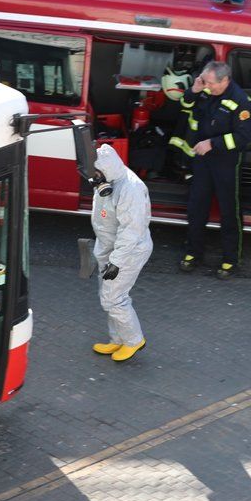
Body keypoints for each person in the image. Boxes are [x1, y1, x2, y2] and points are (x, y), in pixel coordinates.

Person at [175, 61, 251, 279]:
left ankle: (230, 260)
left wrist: (213, 143)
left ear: (225, 80)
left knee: (229, 211)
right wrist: (194, 90)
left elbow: (243, 138)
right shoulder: (204, 90)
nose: (207, 87)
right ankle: (193, 253)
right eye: (204, 81)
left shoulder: (240, 101)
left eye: (210, 83)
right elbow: (185, 106)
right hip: (202, 160)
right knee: (196, 206)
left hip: (226, 162)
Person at [90, 144, 153, 362]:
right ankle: (117, 339)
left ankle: (134, 340)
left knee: (114, 298)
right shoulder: (107, 180)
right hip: (111, 248)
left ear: (106, 171)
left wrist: (116, 262)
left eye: (96, 175)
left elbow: (131, 231)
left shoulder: (130, 189)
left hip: (128, 252)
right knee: (107, 294)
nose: (93, 179)